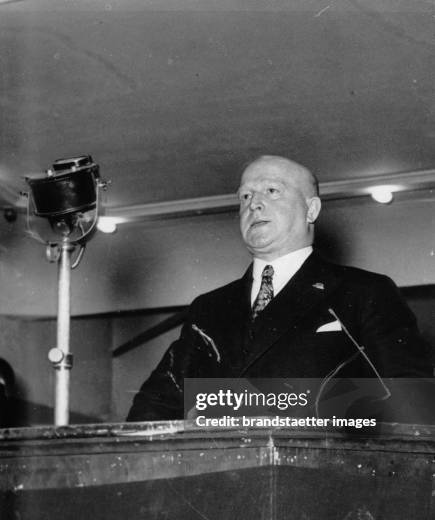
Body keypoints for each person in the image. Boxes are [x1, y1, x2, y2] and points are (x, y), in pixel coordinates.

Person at [127, 155, 432, 422]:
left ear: (311, 210)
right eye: (245, 196)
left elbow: (410, 401)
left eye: (272, 191)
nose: (254, 204)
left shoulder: (365, 292)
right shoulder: (207, 309)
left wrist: (281, 411)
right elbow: (154, 406)